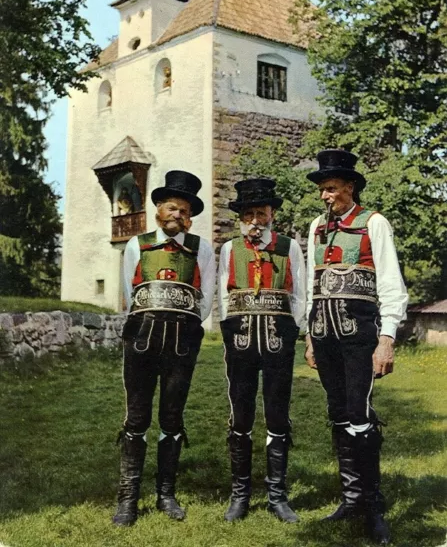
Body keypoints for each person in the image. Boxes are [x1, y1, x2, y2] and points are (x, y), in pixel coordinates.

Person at [304, 149, 408, 545]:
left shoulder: (373, 223)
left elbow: (391, 285)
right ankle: (350, 498)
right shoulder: (315, 227)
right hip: (324, 335)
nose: (326, 196)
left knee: (360, 412)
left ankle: (373, 505)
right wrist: (310, 338)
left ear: (350, 187)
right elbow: (313, 289)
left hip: (360, 336)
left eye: (331, 189)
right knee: (337, 412)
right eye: (322, 190)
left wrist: (387, 339)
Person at [113, 170, 216, 526]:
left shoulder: (201, 248)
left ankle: (166, 494)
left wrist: (184, 326)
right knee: (137, 417)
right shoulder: (136, 245)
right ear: (159, 209)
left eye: (184, 211)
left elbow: (206, 299)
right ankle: (128, 498)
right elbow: (129, 292)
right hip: (142, 339)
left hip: (182, 343)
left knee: (172, 417)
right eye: (172, 208)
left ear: (191, 216)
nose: (177, 216)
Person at [218, 178, 306, 523]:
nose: (256, 220)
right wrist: (229, 331)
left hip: (277, 341)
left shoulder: (289, 247)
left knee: (277, 413)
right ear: (241, 218)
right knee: (240, 414)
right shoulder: (229, 249)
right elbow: (224, 297)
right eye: (249, 214)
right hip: (240, 341)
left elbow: (300, 292)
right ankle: (240, 495)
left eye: (262, 213)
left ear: (272, 215)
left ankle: (277, 496)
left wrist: (291, 328)